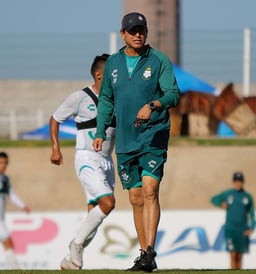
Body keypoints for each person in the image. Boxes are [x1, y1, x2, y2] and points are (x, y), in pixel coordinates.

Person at [93, 11, 180, 272]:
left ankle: (150, 250)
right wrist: (100, 132)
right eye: (133, 31)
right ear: (123, 34)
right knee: (135, 198)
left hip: (153, 135)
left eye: (141, 30)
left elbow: (173, 94)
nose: (138, 34)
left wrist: (153, 104)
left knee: (150, 190)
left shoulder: (159, 60)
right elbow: (106, 99)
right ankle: (145, 256)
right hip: (126, 140)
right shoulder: (114, 63)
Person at [49, 54, 116, 270]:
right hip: (87, 158)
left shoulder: (116, 99)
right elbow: (55, 119)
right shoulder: (80, 97)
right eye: (112, 73)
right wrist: (55, 148)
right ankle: (76, 245)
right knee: (108, 203)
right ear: (99, 75)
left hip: (107, 160)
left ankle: (71, 261)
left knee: (94, 215)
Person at [210, 171, 256, 270]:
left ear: (243, 182)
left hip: (242, 229)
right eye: (236, 181)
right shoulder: (228, 194)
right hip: (231, 229)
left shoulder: (247, 197)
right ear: (233, 182)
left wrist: (252, 227)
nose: (238, 183)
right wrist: (221, 204)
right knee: (233, 254)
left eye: (240, 181)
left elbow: (252, 213)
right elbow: (214, 199)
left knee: (239, 256)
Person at [0, 152, 31, 269]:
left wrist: (23, 206)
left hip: (1, 220)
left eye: (5, 163)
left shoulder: (4, 179)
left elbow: (11, 194)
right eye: (1, 163)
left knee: (8, 243)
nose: (3, 166)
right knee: (8, 242)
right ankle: (15, 269)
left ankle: (14, 268)